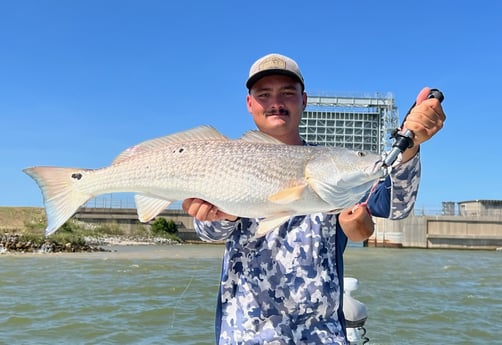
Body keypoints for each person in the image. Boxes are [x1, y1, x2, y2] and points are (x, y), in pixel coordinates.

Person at [182, 53, 445, 344]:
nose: (276, 103)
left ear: (304, 100)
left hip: (321, 336)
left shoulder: (334, 168)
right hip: (243, 334)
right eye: (264, 94)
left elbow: (396, 206)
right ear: (249, 104)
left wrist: (409, 148)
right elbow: (208, 232)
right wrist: (223, 214)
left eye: (287, 93)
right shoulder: (227, 160)